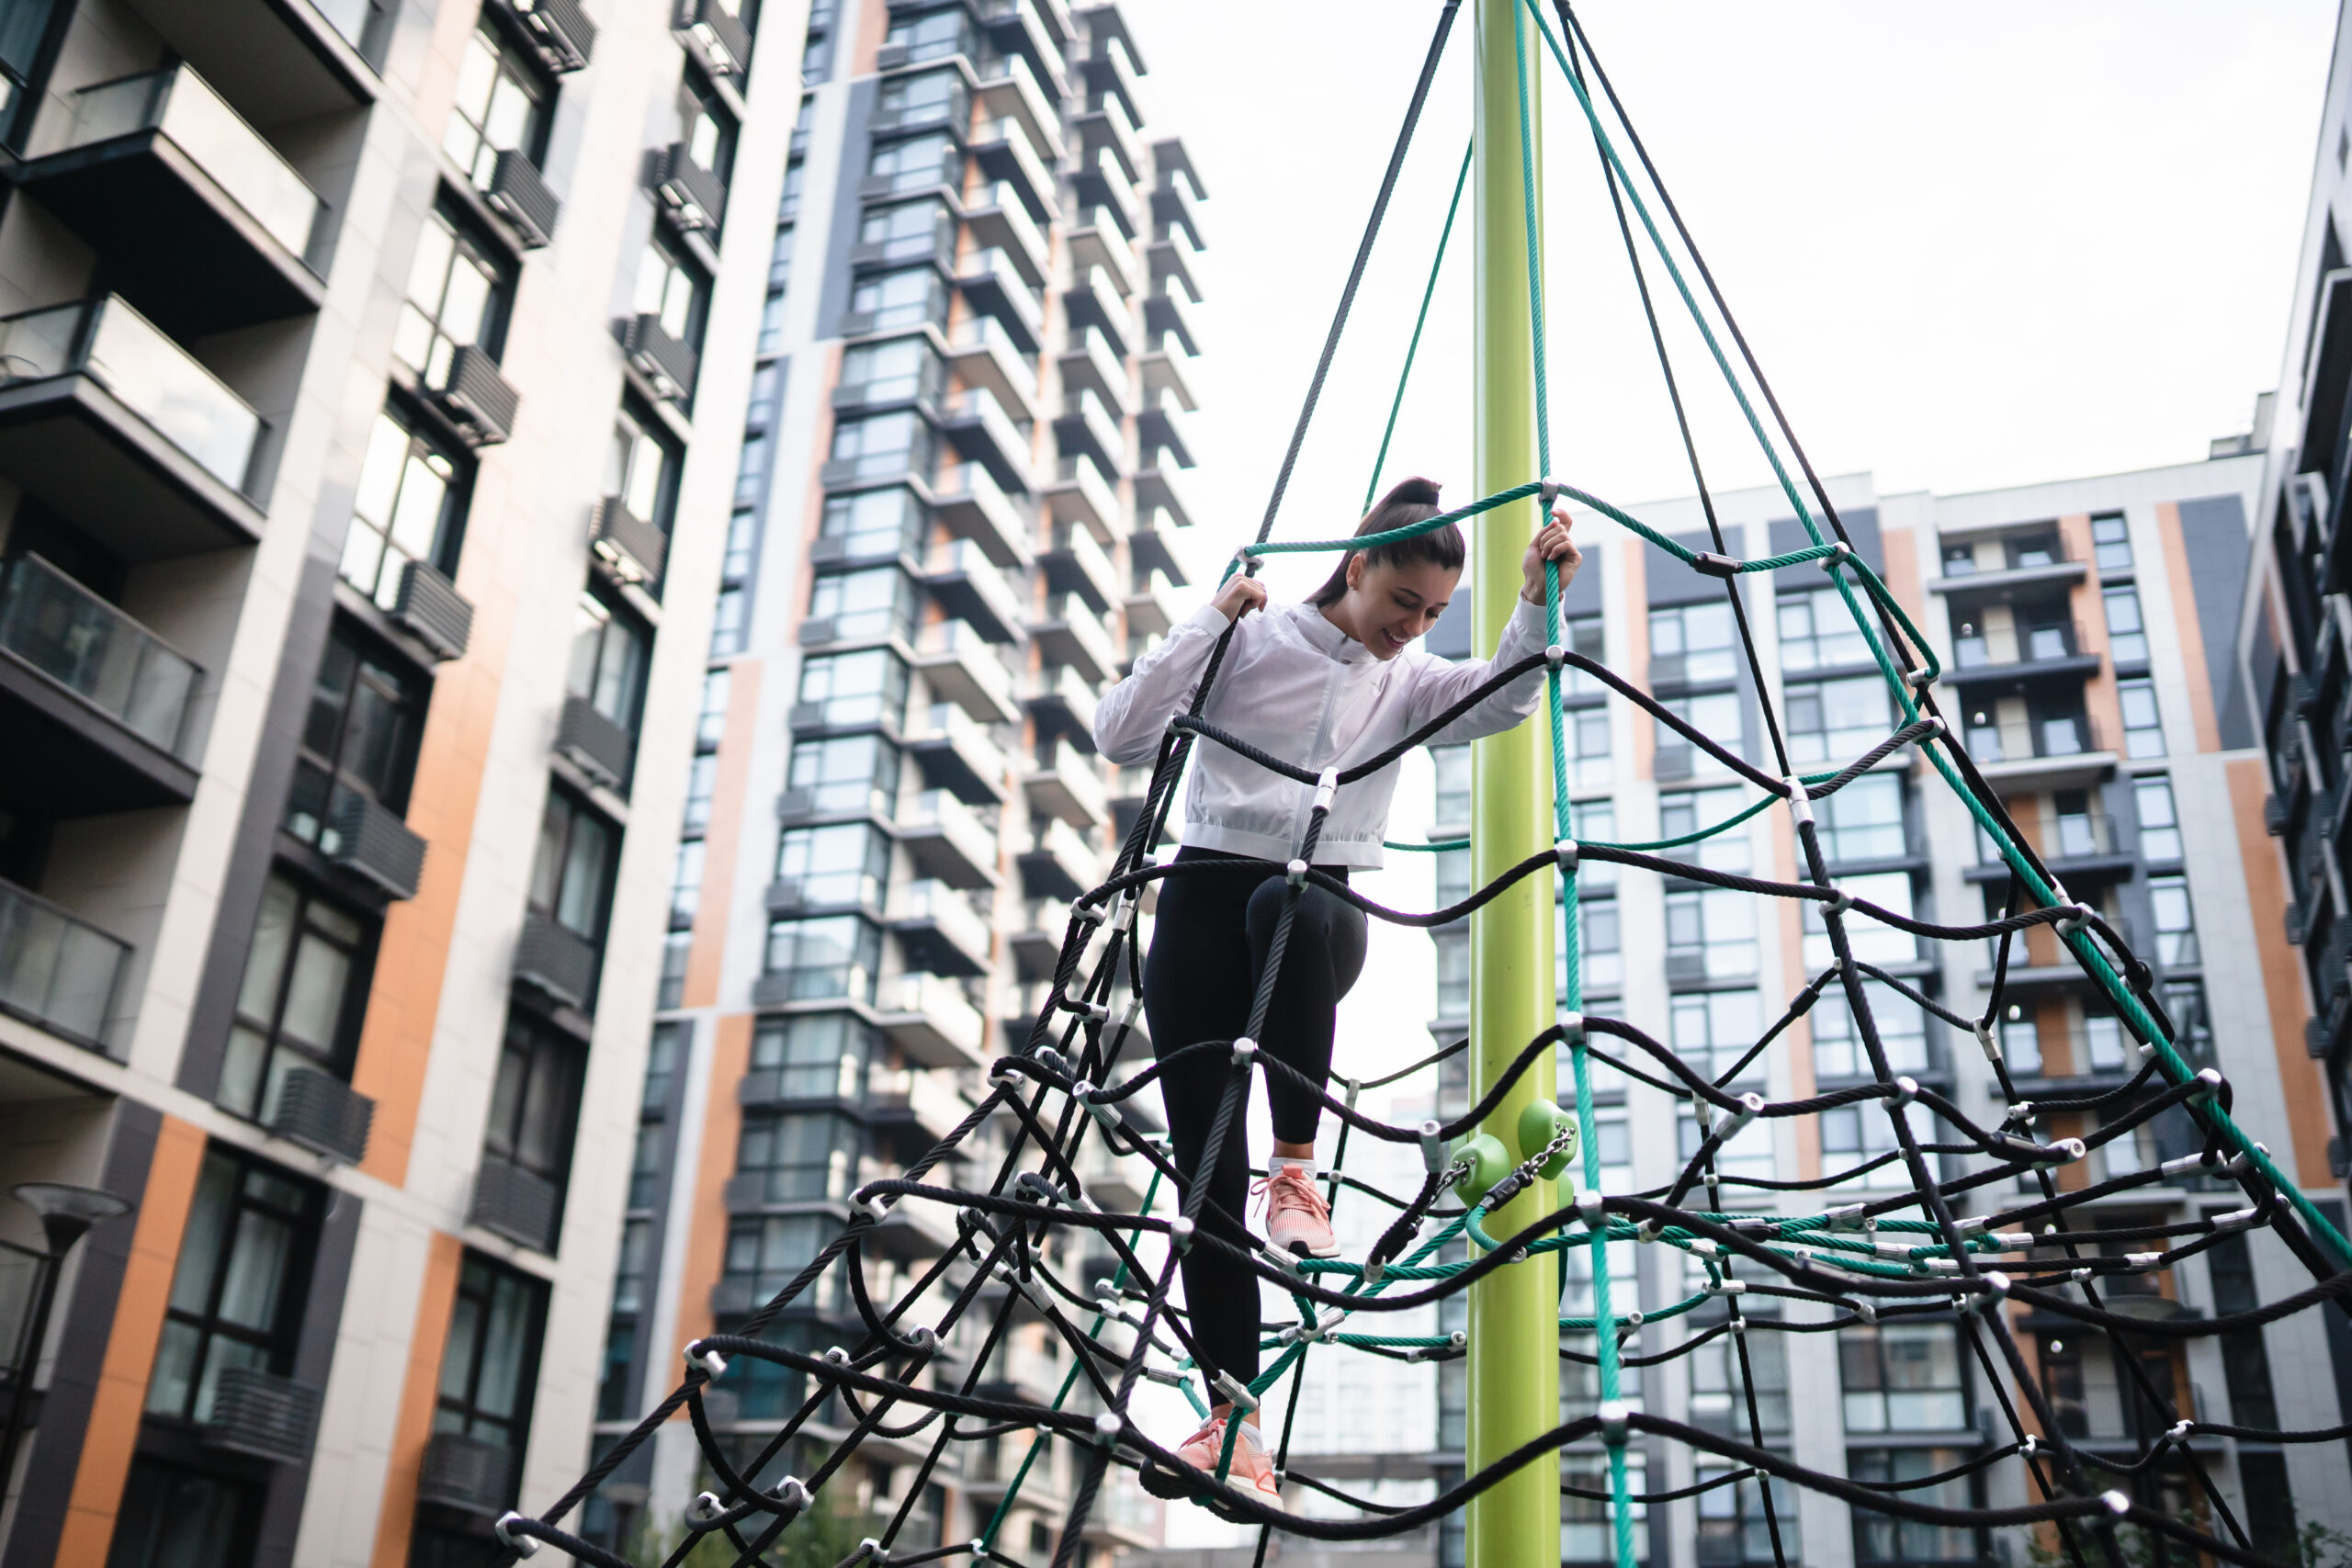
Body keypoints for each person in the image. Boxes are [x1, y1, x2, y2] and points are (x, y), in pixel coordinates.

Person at [1092, 477, 1579, 1503]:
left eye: (1434, 613)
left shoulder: (1406, 685)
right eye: (1404, 603)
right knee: (1201, 1181)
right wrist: (1205, 622)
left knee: (1291, 899)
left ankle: (1299, 1167)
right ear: (1356, 568)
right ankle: (1234, 1424)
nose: (1414, 629)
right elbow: (1120, 734)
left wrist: (1536, 598)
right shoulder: (1251, 641)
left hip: (1315, 922)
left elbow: (1506, 695)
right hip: (1196, 914)